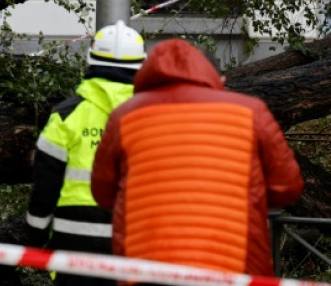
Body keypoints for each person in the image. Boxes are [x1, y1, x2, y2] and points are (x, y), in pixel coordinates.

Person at [91, 39, 303, 276]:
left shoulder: (124, 116)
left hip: (147, 264)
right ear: (219, 79)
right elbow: (288, 186)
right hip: (231, 261)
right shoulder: (250, 111)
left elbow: (102, 192)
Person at [24, 20, 146, 286]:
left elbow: (45, 184)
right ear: (140, 66)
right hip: (134, 241)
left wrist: (35, 236)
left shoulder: (66, 115)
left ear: (91, 61)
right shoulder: (152, 118)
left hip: (75, 245)